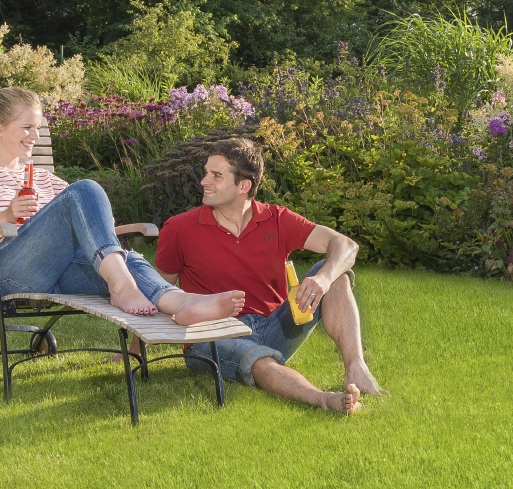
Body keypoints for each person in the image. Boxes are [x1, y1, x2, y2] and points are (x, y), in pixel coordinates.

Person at [0, 82, 242, 324]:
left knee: (123, 259)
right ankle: (123, 287)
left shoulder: (45, 179)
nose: (35, 136)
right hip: (2, 275)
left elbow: (90, 222)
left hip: (56, 274)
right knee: (85, 190)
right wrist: (5, 214)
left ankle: (181, 302)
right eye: (27, 127)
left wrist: (103, 233)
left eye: (38, 128)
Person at [154, 134, 385, 416]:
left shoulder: (276, 219)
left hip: (272, 327)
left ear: (243, 186)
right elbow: (158, 291)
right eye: (206, 173)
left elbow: (346, 245)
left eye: (216, 175)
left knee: (336, 274)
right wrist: (136, 347)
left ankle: (356, 368)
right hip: (211, 336)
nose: (204, 181)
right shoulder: (179, 229)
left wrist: (323, 278)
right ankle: (324, 399)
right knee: (256, 359)